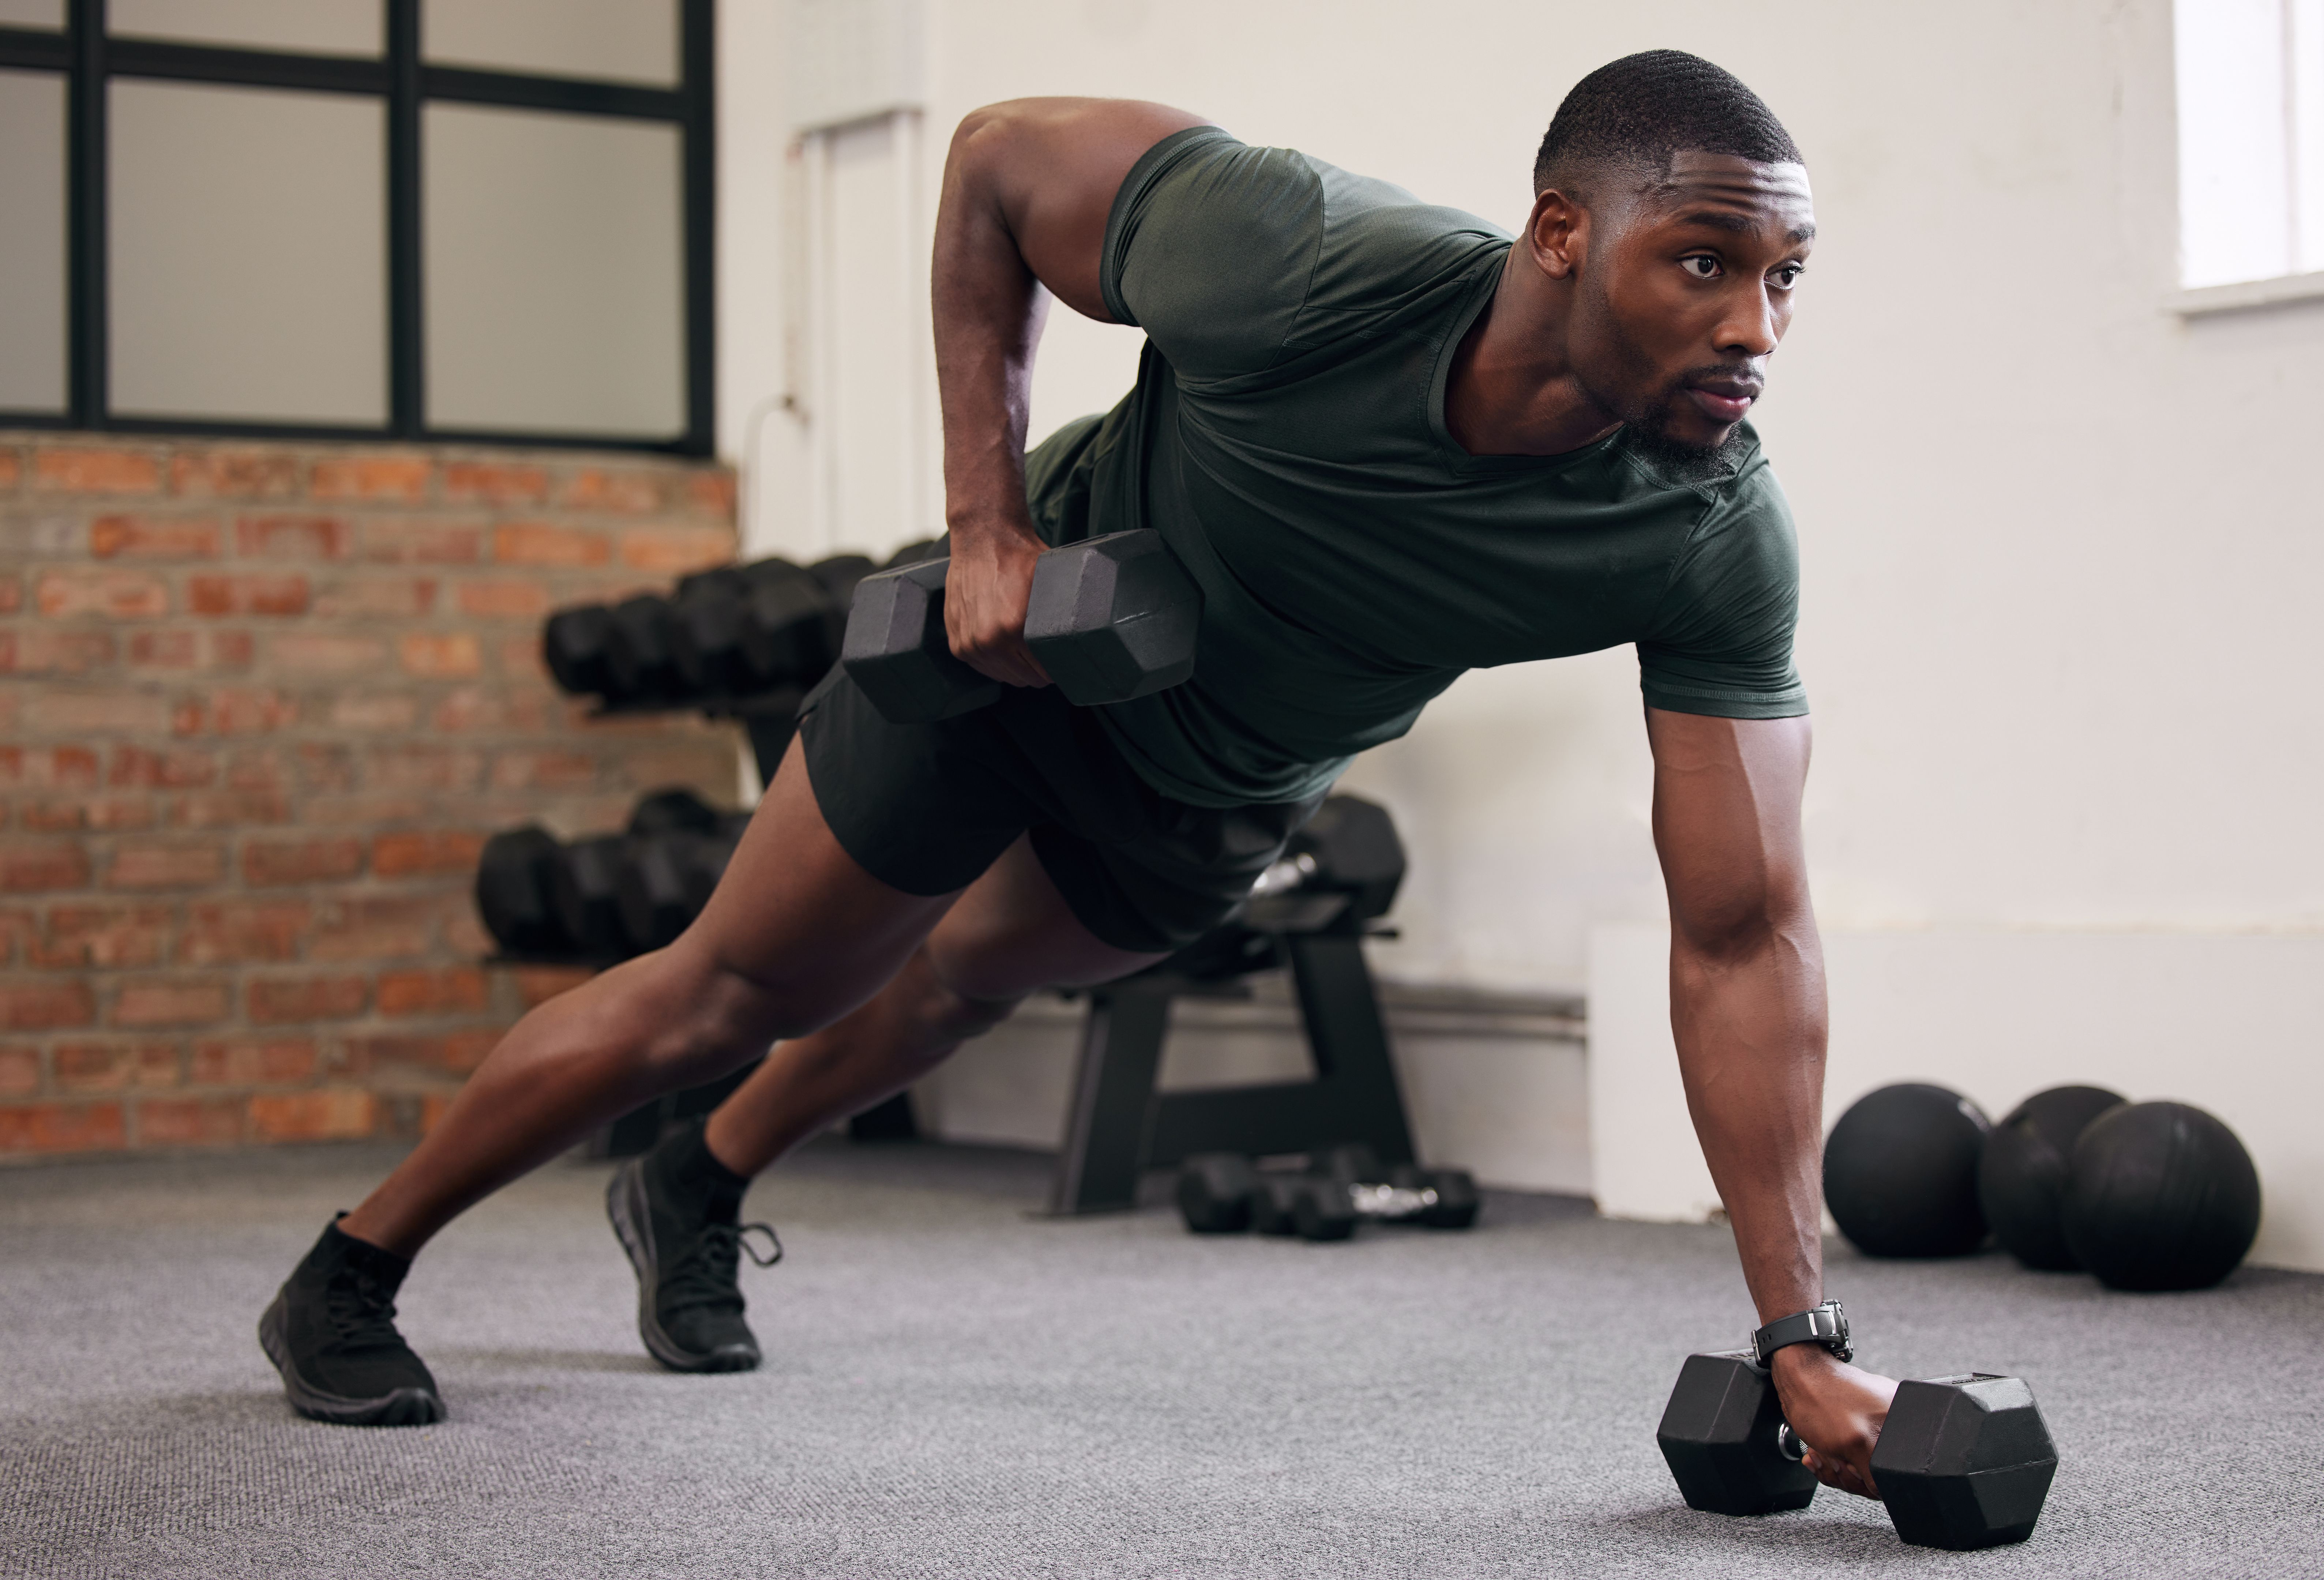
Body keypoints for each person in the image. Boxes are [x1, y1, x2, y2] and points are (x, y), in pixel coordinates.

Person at [260, 49, 1900, 1500]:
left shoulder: (1704, 533)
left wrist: (1795, 1334)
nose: (1751, 327)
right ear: (1560, 233)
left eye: (1785, 277)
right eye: (1701, 261)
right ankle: (352, 1270)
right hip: (1010, 667)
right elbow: (989, 159)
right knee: (732, 991)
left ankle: (696, 1182)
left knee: (957, 985)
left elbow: (1740, 933)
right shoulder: (1299, 258)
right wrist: (983, 525)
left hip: (1222, 785)